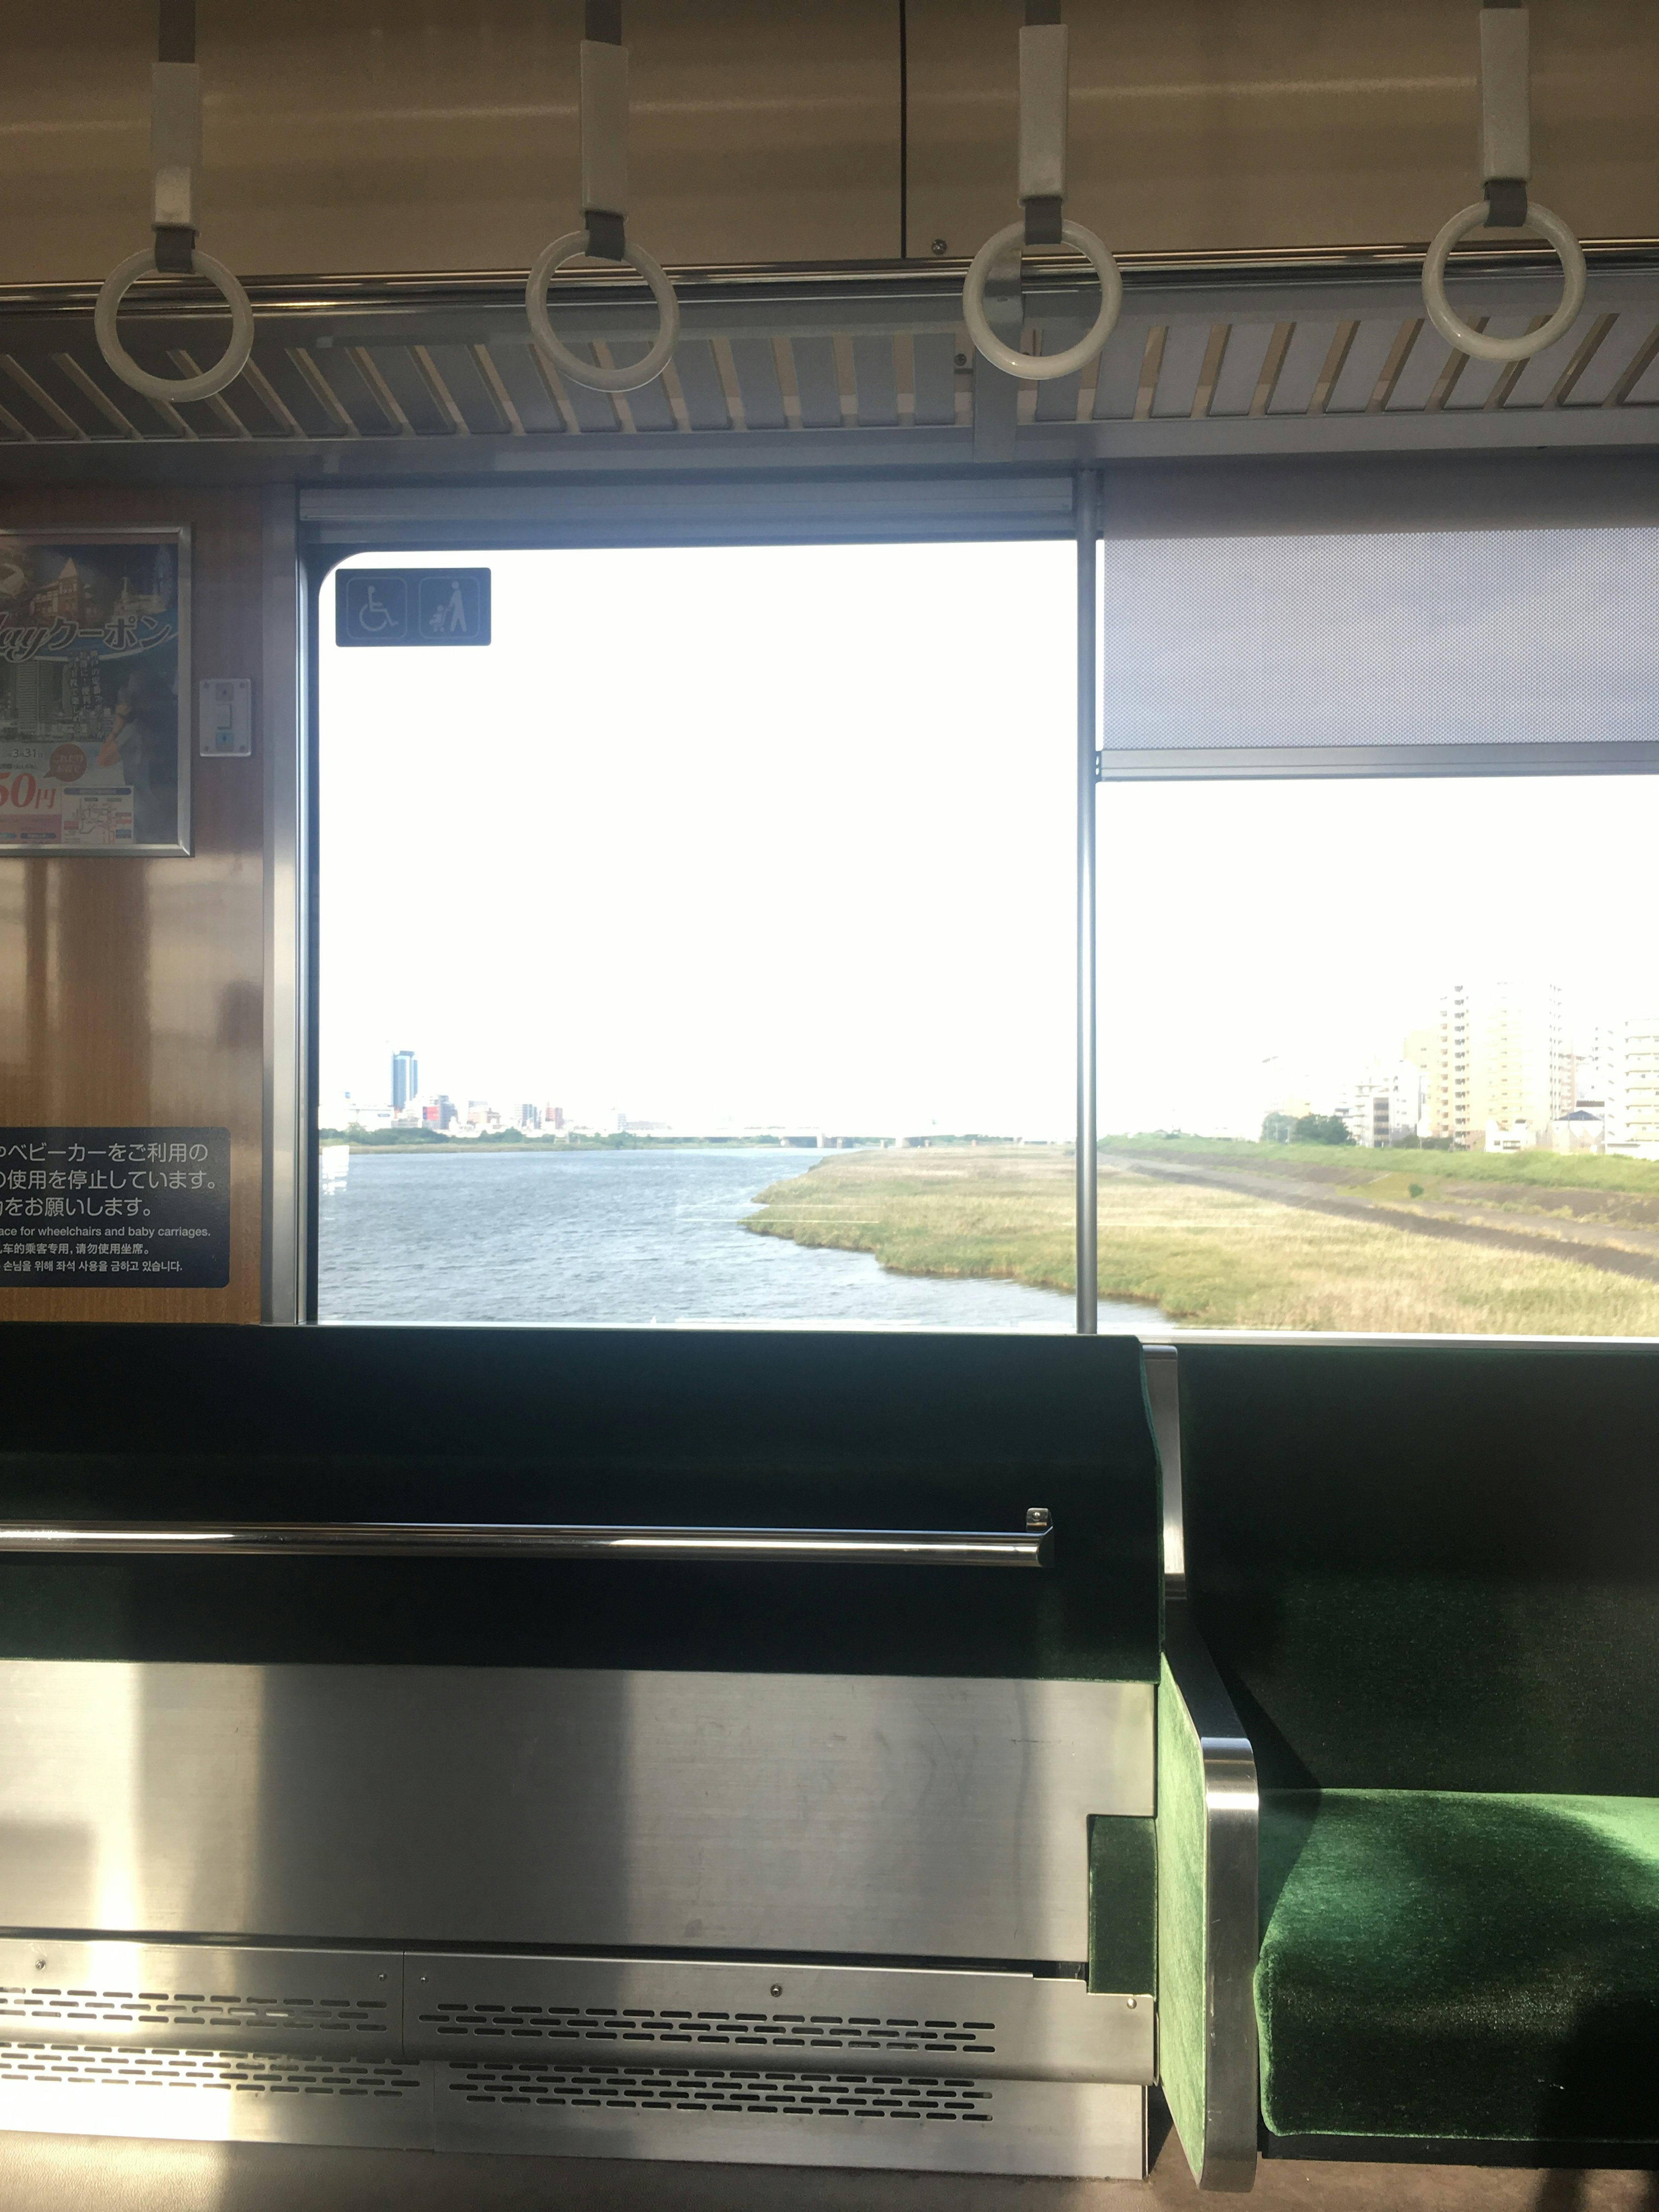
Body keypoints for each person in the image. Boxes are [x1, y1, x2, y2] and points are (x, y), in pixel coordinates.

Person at [97, 660, 177, 845]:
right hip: (175, 820)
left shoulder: (135, 732)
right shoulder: (176, 726)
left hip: (149, 825)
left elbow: (103, 759)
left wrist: (119, 722)